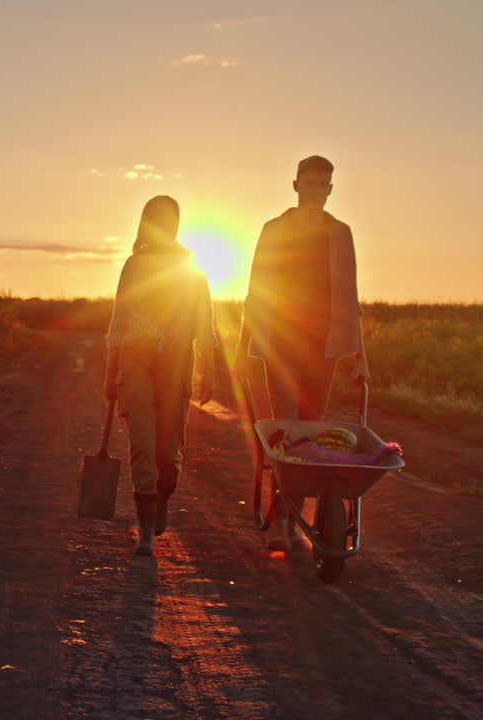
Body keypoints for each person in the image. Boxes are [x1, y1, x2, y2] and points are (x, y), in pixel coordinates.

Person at [235, 155, 370, 551]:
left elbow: (351, 296)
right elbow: (255, 291)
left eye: (324, 185)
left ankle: (292, 516)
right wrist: (245, 347)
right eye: (310, 184)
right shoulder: (273, 230)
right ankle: (285, 523)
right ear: (296, 186)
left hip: (323, 346)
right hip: (280, 343)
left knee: (311, 432)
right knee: (288, 432)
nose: (317, 192)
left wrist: (361, 356)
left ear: (331, 189)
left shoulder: (341, 233)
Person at [105, 195, 218, 557]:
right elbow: (118, 321)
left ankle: (161, 499)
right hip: (134, 361)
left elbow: (205, 322)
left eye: (168, 220)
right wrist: (111, 373)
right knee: (142, 444)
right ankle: (146, 532)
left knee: (168, 451)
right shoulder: (133, 265)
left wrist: (211, 370)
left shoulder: (191, 267)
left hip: (176, 364)